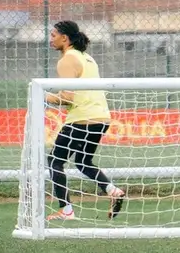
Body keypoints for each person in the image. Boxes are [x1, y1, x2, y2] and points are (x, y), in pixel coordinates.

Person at [44, 20, 124, 221]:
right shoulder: (87, 57)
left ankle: (67, 210)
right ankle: (112, 190)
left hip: (82, 119)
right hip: (102, 118)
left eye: (53, 35)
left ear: (65, 38)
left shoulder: (67, 60)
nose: (50, 39)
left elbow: (68, 98)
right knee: (82, 161)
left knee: (55, 161)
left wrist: (44, 97)